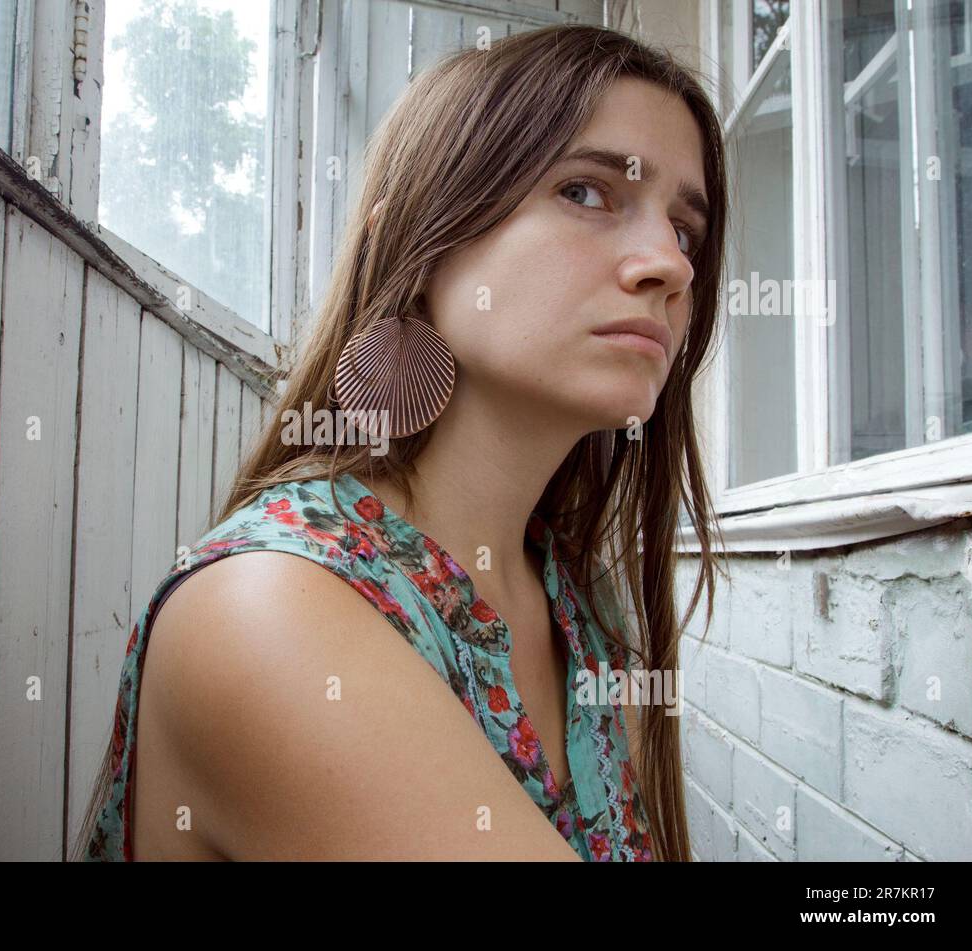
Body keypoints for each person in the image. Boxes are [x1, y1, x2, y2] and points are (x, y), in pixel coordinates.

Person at [75, 21, 725, 862]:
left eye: (688, 230)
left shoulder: (579, 602)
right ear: (412, 246)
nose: (668, 264)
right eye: (587, 192)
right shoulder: (269, 608)